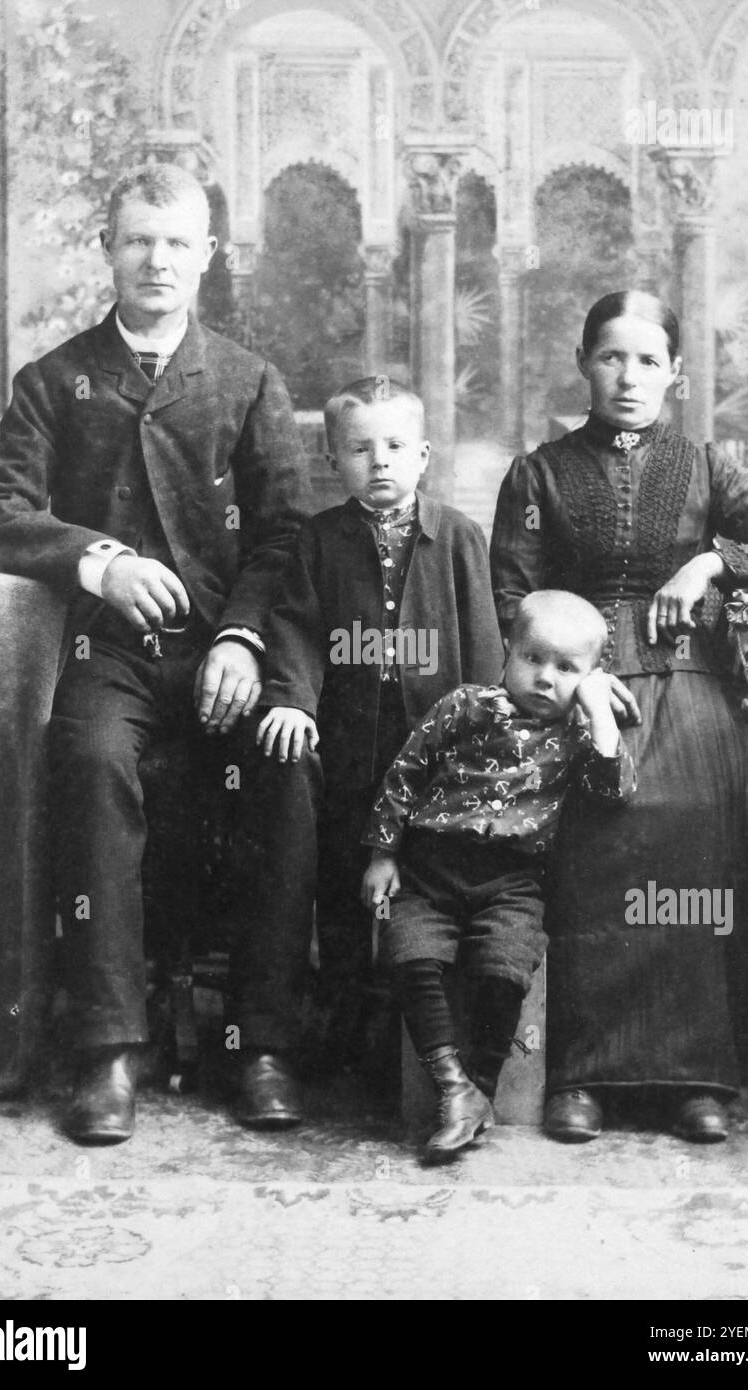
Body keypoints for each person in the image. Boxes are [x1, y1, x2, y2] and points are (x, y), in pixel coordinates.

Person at [0, 162, 317, 1143]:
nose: (157, 261)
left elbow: (285, 534)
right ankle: (111, 1047)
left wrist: (243, 636)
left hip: (226, 649)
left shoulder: (247, 382)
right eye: (138, 241)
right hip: (114, 653)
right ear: (108, 251)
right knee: (90, 757)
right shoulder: (55, 379)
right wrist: (96, 560)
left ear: (206, 256)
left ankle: (262, 1043)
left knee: (282, 768)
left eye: (177, 243)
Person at [490, 289, 748, 1144]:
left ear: (674, 375)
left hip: (697, 688)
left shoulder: (708, 468)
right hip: (586, 691)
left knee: (699, 845)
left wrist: (711, 562)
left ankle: (695, 1077)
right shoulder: (540, 474)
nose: (629, 376)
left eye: (647, 361)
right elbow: (508, 597)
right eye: (612, 357)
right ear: (584, 366)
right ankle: (584, 1076)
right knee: (598, 851)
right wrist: (569, 682)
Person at [254, 376, 504, 1082]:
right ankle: (341, 1016)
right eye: (360, 449)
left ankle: (411, 1036)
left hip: (430, 743)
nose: (381, 462)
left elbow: (483, 643)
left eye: (396, 446)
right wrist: (294, 701)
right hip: (350, 740)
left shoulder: (457, 536)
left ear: (424, 455)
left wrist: (485, 733)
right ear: (333, 462)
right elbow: (296, 628)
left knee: (419, 881)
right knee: (341, 878)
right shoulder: (320, 540)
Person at [360, 590, 637, 1161]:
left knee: (505, 965)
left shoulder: (577, 735)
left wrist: (598, 709)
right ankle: (451, 1086)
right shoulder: (465, 706)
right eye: (533, 658)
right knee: (409, 950)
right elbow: (405, 775)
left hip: (513, 880)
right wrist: (383, 855)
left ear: (590, 676)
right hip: (432, 868)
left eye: (566, 669)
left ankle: (480, 1088)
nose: (544, 678)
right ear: (508, 652)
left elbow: (614, 793)